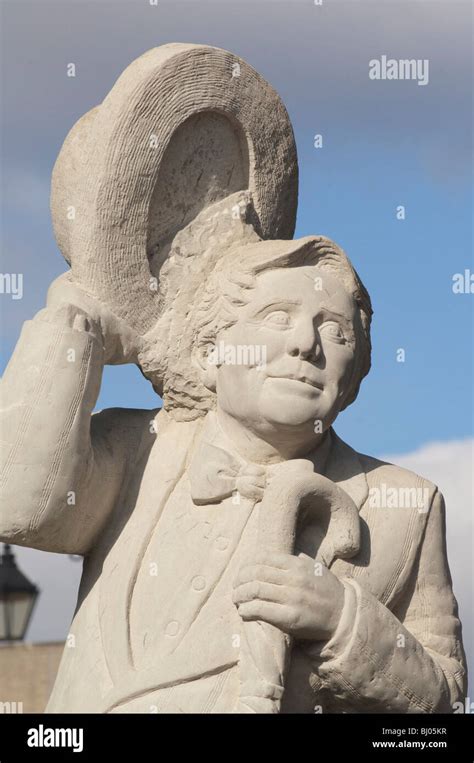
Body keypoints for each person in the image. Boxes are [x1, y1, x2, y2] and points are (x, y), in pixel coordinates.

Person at [0, 209, 466, 713]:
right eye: (277, 318)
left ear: (353, 379)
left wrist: (342, 622)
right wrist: (72, 329)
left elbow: (443, 706)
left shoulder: (405, 505)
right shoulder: (135, 445)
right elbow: (17, 509)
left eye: (335, 331)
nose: (306, 343)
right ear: (207, 354)